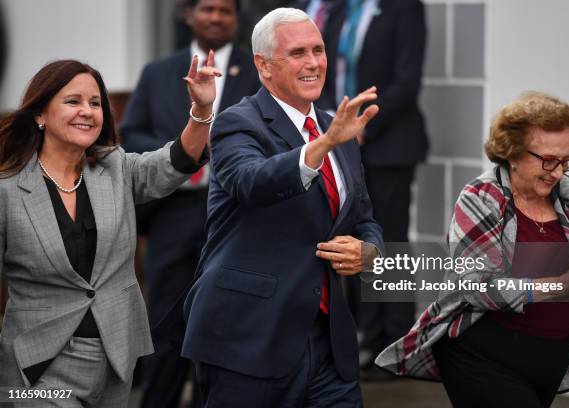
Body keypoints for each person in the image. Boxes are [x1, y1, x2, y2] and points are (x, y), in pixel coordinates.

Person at [181, 8, 383, 407]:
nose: (313, 63)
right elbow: (253, 183)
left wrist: (368, 252)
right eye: (298, 53)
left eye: (319, 50)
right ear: (264, 65)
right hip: (249, 338)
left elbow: (362, 216)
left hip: (329, 344)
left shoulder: (335, 125)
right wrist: (322, 145)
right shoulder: (237, 123)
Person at [0, 55, 218, 407]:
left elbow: (174, 162)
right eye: (72, 101)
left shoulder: (113, 168)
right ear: (40, 114)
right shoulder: (7, 192)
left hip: (115, 359)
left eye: (95, 103)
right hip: (38, 369)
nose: (87, 111)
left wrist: (201, 110)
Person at [376, 92, 569, 408]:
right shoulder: (481, 197)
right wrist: (562, 285)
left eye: (566, 160)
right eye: (548, 160)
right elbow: (475, 288)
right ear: (513, 153)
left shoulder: (568, 192)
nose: (557, 172)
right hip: (482, 354)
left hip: (551, 357)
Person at [119, 1, 259, 406]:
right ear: (189, 15)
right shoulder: (159, 71)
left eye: (225, 11)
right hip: (174, 213)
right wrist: (183, 153)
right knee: (165, 323)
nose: (216, 17)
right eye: (207, 8)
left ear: (236, 19)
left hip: (236, 217)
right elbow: (132, 135)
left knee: (223, 326)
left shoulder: (260, 72)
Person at [301, 0, 429, 378]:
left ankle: (395, 346)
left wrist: (363, 128)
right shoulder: (338, 10)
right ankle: (365, 338)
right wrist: (330, 130)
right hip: (339, 141)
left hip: (388, 143)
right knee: (352, 240)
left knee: (388, 244)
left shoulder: (404, 8)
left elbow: (406, 80)